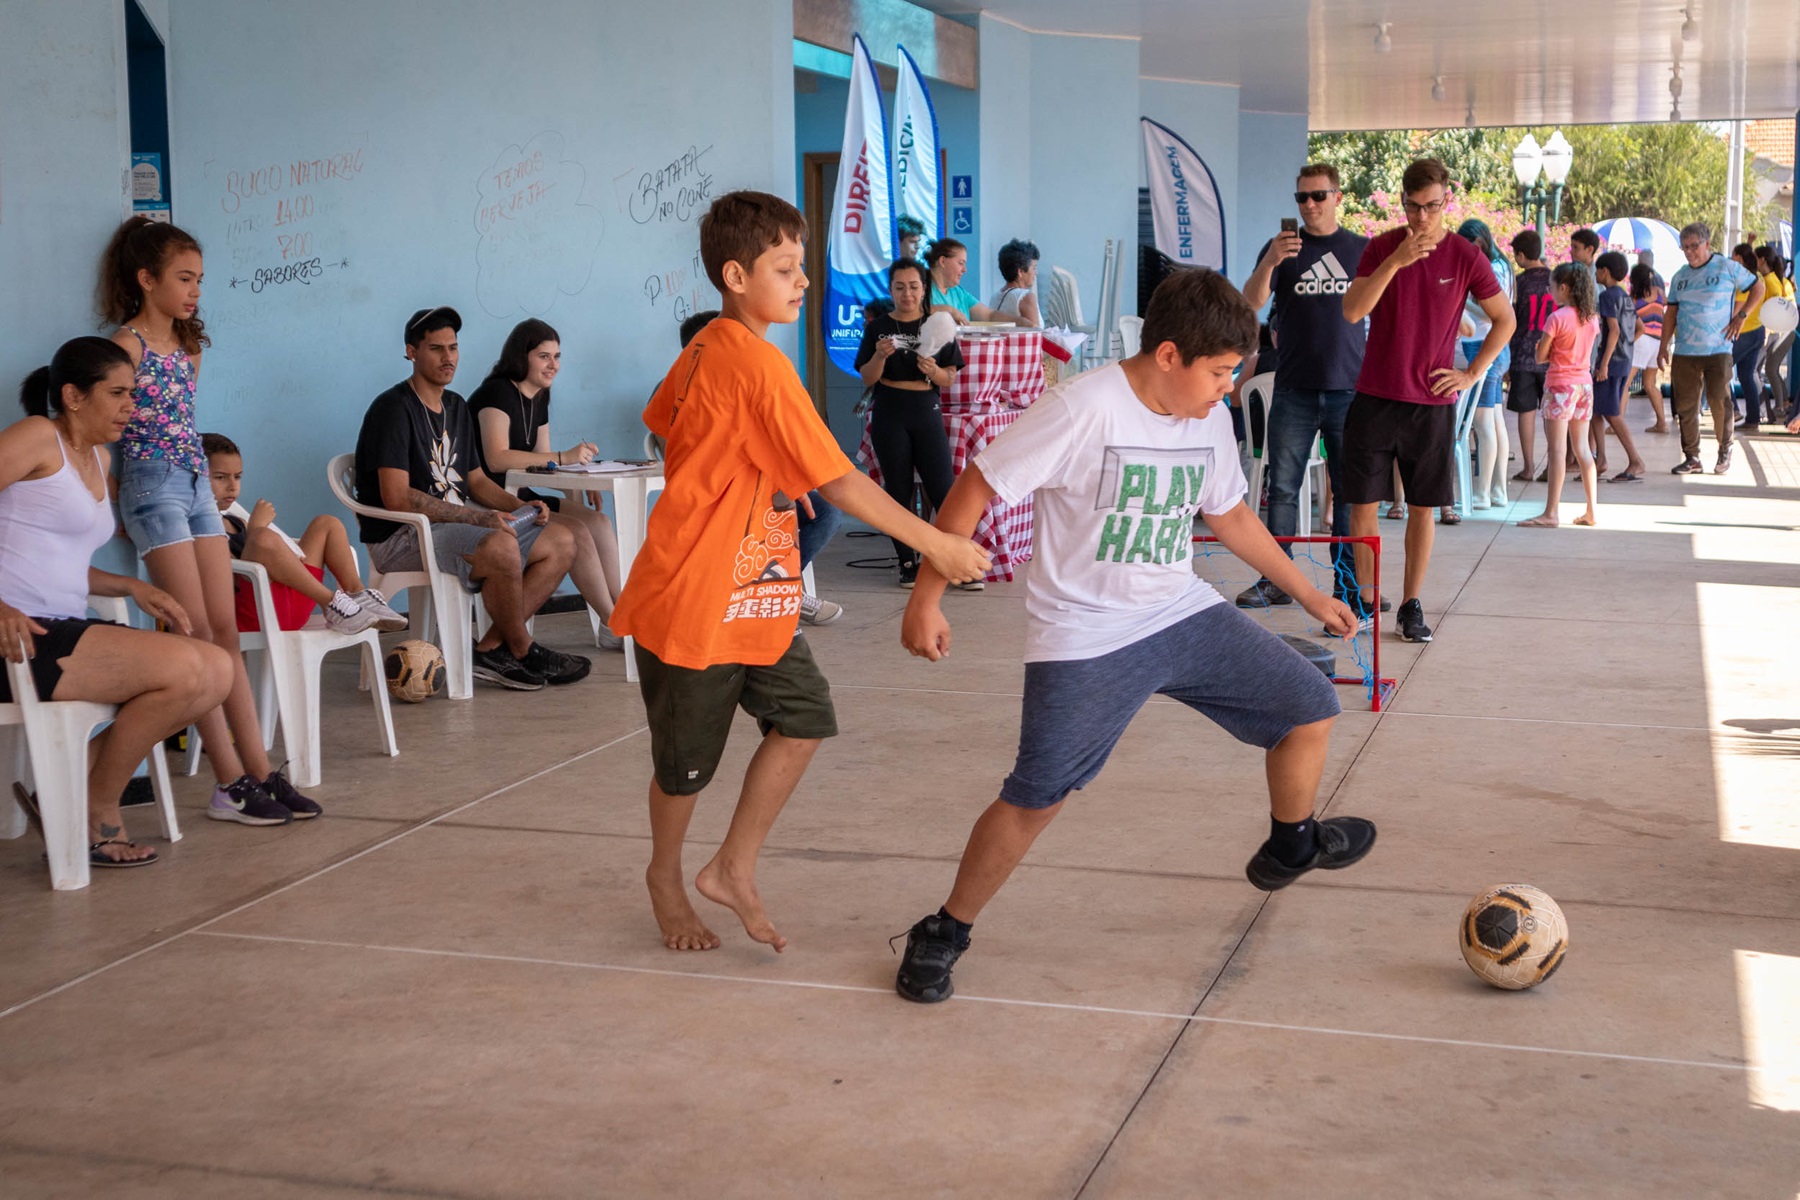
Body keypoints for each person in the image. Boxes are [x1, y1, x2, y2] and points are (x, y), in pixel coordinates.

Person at [890, 268, 1373, 1004]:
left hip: (1178, 610)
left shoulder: (1207, 415)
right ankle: (944, 930)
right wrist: (927, 597)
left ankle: (1292, 843)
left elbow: (1231, 515)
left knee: (1309, 706)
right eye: (1218, 373)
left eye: (1234, 374)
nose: (1226, 389)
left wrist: (1310, 593)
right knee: (1037, 794)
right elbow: (977, 485)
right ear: (1170, 355)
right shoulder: (1082, 409)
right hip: (1085, 634)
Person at [608, 190, 989, 954]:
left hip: (756, 590)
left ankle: (733, 867)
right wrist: (939, 545)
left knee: (806, 717)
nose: (804, 281)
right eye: (785, 268)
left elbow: (667, 422)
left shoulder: (710, 347)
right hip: (694, 598)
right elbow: (839, 481)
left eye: (803, 265)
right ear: (735, 274)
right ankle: (664, 875)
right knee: (685, 771)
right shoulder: (751, 363)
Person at [100, 216, 320, 826]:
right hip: (153, 485)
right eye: (184, 278)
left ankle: (260, 768)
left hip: (196, 482)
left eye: (200, 279)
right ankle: (229, 783)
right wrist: (114, 492)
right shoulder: (126, 347)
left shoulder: (188, 348)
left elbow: (183, 416)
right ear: (146, 280)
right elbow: (105, 428)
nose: (196, 290)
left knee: (223, 631)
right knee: (194, 634)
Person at [1, 337, 233, 866]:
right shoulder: (39, 436)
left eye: (134, 392)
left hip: (61, 626)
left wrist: (131, 586)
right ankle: (95, 803)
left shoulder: (98, 458)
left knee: (214, 671)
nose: (133, 405)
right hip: (17, 639)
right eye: (119, 393)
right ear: (74, 396)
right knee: (184, 670)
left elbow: (52, 560)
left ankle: (67, 789)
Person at [352, 306, 587, 690]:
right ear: (411, 351)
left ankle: (491, 649)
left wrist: (520, 507)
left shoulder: (457, 406)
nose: (448, 358)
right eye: (436, 349)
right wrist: (476, 519)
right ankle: (523, 648)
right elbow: (395, 497)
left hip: (455, 528)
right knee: (499, 545)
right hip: (403, 537)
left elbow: (476, 480)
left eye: (453, 348)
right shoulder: (392, 408)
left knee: (562, 539)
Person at [1339, 159, 1514, 644]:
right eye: (1413, 208)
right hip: (1374, 395)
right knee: (1363, 505)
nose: (1421, 218)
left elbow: (1506, 320)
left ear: (1447, 201)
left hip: (1431, 402)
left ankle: (1412, 604)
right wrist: (1396, 260)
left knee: (1422, 507)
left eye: (1431, 207)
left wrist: (1471, 373)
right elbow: (1352, 311)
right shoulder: (1380, 247)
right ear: (1403, 202)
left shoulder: (1464, 255)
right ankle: (1370, 602)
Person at [1233, 162, 1375, 615]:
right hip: (1293, 388)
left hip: (1348, 390)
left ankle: (1350, 585)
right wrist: (1273, 260)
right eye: (1301, 198)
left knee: (1351, 492)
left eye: (1318, 196)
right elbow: (1250, 304)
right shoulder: (1280, 249)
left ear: (1337, 197)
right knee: (1283, 488)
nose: (1309, 205)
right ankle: (1276, 578)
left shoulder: (1360, 250)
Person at [676, 309, 845, 624]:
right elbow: (675, 447)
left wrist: (785, 478)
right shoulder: (674, 388)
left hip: (766, 481)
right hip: (717, 491)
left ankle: (777, 586)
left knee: (825, 510)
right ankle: (768, 590)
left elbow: (774, 441)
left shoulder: (750, 380)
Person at [467, 318, 625, 650]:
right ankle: (613, 625)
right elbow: (496, 458)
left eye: (557, 356)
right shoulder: (496, 391)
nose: (553, 365)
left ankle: (625, 613)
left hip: (523, 494)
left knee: (597, 520)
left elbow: (544, 462)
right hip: (491, 499)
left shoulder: (540, 396)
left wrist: (579, 478)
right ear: (521, 356)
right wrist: (565, 458)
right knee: (577, 532)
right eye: (543, 356)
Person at [203, 433, 406, 635]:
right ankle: (332, 603)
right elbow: (228, 576)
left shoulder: (236, 522)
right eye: (220, 477)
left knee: (327, 524)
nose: (232, 486)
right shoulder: (200, 530)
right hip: (256, 616)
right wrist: (256, 529)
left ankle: (358, 594)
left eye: (237, 476)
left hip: (288, 603)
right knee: (262, 538)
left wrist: (258, 531)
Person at [856, 258, 967, 589]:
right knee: (898, 491)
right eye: (900, 287)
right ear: (891, 290)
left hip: (926, 408)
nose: (907, 294)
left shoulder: (938, 325)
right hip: (890, 409)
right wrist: (879, 356)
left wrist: (933, 371)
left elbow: (949, 377)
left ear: (923, 289)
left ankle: (954, 560)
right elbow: (866, 377)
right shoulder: (877, 329)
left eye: (914, 286)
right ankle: (907, 562)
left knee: (942, 488)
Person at [1660, 222, 1764, 475]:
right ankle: (1692, 456)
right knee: (1686, 406)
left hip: (1718, 349)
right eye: (1685, 248)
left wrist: (1741, 315)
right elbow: (1671, 313)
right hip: (1685, 351)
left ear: (1707, 244)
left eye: (1694, 246)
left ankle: (1724, 449)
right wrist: (1663, 345)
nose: (1690, 252)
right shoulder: (1680, 276)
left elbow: (1758, 287)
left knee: (1720, 401)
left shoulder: (1727, 267)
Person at [1520, 265, 1600, 528]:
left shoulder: (1557, 317)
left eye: (1551, 287)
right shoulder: (1591, 318)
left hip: (1560, 386)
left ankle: (1551, 512)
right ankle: (1591, 511)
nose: (1550, 291)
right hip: (1583, 386)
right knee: (1583, 450)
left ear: (1563, 288)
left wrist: (1543, 348)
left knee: (1556, 451)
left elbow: (1540, 356)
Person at [1455, 219, 1513, 510]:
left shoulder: (1490, 267)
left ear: (1477, 242)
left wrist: (1462, 299)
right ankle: (1497, 490)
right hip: (1496, 346)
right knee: (1494, 420)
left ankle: (1482, 493)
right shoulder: (1502, 264)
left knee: (1482, 422)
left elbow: (1492, 315)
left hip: (1484, 344)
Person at [1590, 252, 1647, 480]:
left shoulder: (1607, 296)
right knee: (1595, 409)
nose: (1595, 274)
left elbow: (1613, 330)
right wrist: (1627, 346)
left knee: (1612, 413)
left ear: (1605, 271)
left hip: (1611, 362)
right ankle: (1600, 459)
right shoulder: (1624, 296)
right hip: (1624, 360)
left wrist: (1604, 363)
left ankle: (1635, 460)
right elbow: (1639, 328)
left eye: (1598, 270)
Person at [1508, 230, 1555, 484]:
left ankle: (1527, 467)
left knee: (1526, 411)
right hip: (1552, 356)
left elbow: (1510, 320)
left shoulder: (1518, 283)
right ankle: (1552, 465)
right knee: (1551, 413)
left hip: (1523, 355)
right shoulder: (1556, 279)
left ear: (1522, 255)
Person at [924, 238, 1021, 325]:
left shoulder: (959, 292)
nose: (964, 270)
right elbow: (914, 313)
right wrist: (949, 310)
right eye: (960, 263)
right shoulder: (921, 289)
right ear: (942, 261)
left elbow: (989, 315)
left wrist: (1020, 322)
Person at [1729, 243, 1770, 430]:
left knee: (1719, 371)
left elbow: (1737, 308)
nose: (1730, 259)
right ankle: (1753, 418)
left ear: (1739, 258)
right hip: (1758, 332)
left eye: (1733, 255)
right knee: (1746, 375)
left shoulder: (1742, 280)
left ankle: (1733, 410)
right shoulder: (1757, 276)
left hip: (1742, 332)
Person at [1627, 263, 1668, 433]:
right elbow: (1667, 307)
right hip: (1657, 341)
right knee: (1650, 384)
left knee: (1625, 384)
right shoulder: (1659, 292)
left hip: (1642, 339)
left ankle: (1617, 424)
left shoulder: (1634, 297)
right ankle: (1661, 423)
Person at [1756, 246, 1795, 423]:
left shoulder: (1772, 282)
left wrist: (1766, 332)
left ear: (1762, 260)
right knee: (1767, 369)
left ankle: (1777, 407)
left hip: (1777, 332)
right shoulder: (1771, 280)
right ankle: (1782, 403)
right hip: (1777, 331)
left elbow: (1774, 311)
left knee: (1764, 370)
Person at [989, 239, 1042, 327]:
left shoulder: (994, 297)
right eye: (1033, 268)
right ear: (1020, 272)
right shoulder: (1026, 297)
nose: (1036, 273)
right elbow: (1036, 335)